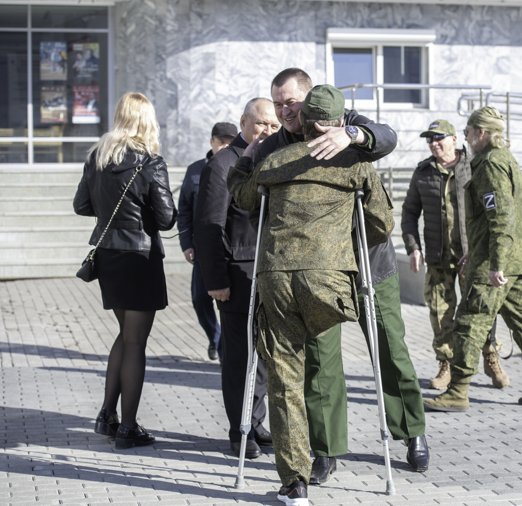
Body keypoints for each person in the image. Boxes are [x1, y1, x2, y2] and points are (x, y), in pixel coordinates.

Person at [228, 67, 428, 485]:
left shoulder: (343, 122)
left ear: (310, 96)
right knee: (321, 359)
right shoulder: (277, 145)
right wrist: (244, 150)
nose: (285, 110)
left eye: (291, 102)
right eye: (277, 103)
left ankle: (411, 431)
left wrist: (352, 136)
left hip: (368, 263)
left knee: (390, 347)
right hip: (317, 269)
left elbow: (387, 136)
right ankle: (325, 448)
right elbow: (249, 189)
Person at [424, 106, 522, 413]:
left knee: (469, 323)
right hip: (517, 260)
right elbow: (493, 220)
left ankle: (457, 390)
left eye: (470, 131)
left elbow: (500, 217)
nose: (466, 137)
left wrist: (495, 263)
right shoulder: (503, 159)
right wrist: (476, 250)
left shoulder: (490, 164)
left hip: (497, 263)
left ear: (482, 133)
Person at [73, 92, 177, 449]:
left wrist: (113, 214)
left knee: (124, 335)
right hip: (140, 258)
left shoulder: (98, 157)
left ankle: (107, 414)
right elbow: (166, 218)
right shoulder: (149, 162)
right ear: (147, 120)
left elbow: (81, 205)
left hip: (109, 256)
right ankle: (128, 427)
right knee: (136, 341)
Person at [193, 98, 280, 459]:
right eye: (262, 124)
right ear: (244, 122)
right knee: (239, 357)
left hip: (270, 272)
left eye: (274, 126)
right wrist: (215, 279)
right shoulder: (224, 163)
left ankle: (255, 422)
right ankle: (237, 431)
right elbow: (209, 226)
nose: (268, 131)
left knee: (262, 358)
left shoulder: (275, 158)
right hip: (237, 274)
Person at [401, 119, 509, 390]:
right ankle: (446, 364)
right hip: (438, 258)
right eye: (429, 140)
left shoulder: (474, 166)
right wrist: (413, 248)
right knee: (440, 315)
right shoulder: (424, 172)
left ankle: (490, 355)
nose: (434, 144)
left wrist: (481, 251)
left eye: (439, 138)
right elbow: (409, 213)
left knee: (479, 311)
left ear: (453, 139)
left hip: (471, 258)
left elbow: (490, 212)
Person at [177, 122, 237, 361]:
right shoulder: (195, 170)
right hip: (203, 248)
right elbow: (184, 210)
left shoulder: (239, 165)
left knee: (228, 301)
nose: (224, 146)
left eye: (229, 142)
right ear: (211, 141)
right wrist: (186, 244)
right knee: (200, 299)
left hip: (231, 249)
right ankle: (215, 337)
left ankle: (224, 347)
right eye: (220, 141)